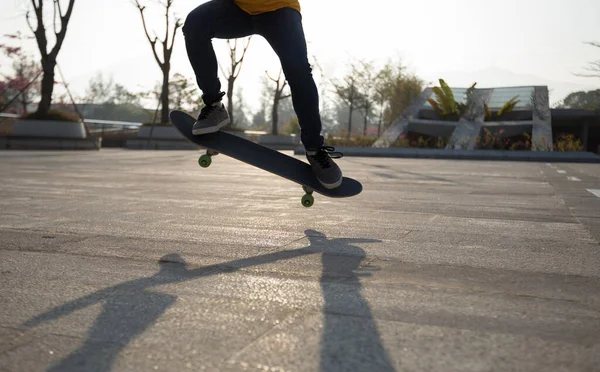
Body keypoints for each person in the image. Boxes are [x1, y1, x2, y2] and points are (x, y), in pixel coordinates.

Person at [182, 0, 343, 189]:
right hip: (238, 8)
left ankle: (315, 149)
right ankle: (214, 106)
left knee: (299, 71)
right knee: (195, 24)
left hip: (280, 10)